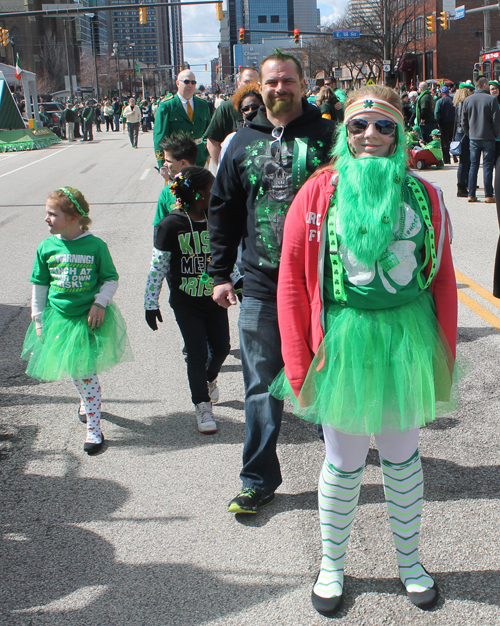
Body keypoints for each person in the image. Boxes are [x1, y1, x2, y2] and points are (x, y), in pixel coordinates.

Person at [270, 85, 457, 616]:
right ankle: (332, 564)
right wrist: (299, 360)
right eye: (358, 126)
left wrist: (441, 356)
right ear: (344, 133)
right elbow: (289, 280)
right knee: (344, 460)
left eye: (383, 127)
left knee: (402, 457)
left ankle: (410, 562)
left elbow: (441, 279)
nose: (370, 136)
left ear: (399, 135)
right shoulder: (317, 192)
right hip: (343, 342)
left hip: (406, 341)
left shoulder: (425, 195)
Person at [208, 50, 336, 514]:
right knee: (260, 384)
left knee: (329, 377)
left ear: (303, 84)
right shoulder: (242, 143)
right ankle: (257, 478)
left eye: (287, 81)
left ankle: (340, 465)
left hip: (325, 285)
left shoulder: (330, 136)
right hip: (261, 283)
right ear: (258, 89)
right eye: (270, 82)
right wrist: (220, 274)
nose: (279, 89)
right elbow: (221, 210)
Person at [21, 187, 133, 454]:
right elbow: (39, 284)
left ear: (72, 218)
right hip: (59, 319)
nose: (46, 219)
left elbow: (110, 279)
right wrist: (38, 319)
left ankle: (94, 427)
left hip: (88, 320)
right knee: (75, 368)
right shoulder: (47, 246)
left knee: (85, 371)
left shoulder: (95, 246)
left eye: (52, 214)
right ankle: (86, 401)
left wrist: (100, 302)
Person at [144, 167, 231, 434]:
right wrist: (150, 302)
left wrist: (238, 285)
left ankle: (208, 379)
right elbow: (157, 267)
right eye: (211, 189)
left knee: (222, 348)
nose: (216, 192)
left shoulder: (216, 219)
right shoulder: (170, 225)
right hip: (186, 302)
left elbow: (227, 258)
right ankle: (202, 405)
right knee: (196, 352)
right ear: (197, 194)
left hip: (213, 300)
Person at [153, 70, 211, 169]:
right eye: (186, 82)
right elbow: (160, 136)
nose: (190, 85)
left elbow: (209, 131)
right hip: (177, 160)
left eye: (193, 82)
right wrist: (162, 163)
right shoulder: (167, 105)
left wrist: (206, 151)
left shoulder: (203, 104)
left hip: (200, 158)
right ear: (177, 83)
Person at [205, 67, 259, 167]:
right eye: (246, 82)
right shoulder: (226, 108)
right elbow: (212, 142)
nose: (250, 86)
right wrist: (224, 169)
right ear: (239, 83)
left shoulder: (266, 106)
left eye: (255, 82)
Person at [153, 133, 198, 243]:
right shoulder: (167, 192)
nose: (164, 164)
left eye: (168, 161)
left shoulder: (206, 188)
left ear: (183, 163)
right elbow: (159, 228)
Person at [462, 76, 500, 203]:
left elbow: (463, 122)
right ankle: (488, 194)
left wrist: (469, 133)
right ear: (485, 85)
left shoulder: (467, 100)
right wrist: (495, 134)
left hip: (473, 137)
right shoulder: (492, 100)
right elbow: (496, 121)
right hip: (488, 137)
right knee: (488, 166)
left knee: (473, 166)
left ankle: (471, 194)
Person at [218, 82, 264, 164]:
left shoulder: (273, 133)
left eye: (255, 107)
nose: (250, 111)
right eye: (245, 109)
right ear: (241, 112)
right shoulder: (232, 139)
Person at [454, 83, 474, 197]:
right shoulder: (463, 104)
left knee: (465, 161)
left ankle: (464, 183)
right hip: (464, 135)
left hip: (459, 133)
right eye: (470, 90)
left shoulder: (457, 103)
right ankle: (461, 186)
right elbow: (463, 122)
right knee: (464, 161)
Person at [434, 85, 455, 164]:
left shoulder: (440, 101)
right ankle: (455, 156)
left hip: (443, 123)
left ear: (442, 93)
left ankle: (447, 159)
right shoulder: (453, 100)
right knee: (452, 140)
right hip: (453, 122)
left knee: (445, 142)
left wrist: (438, 122)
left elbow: (436, 113)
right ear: (448, 92)